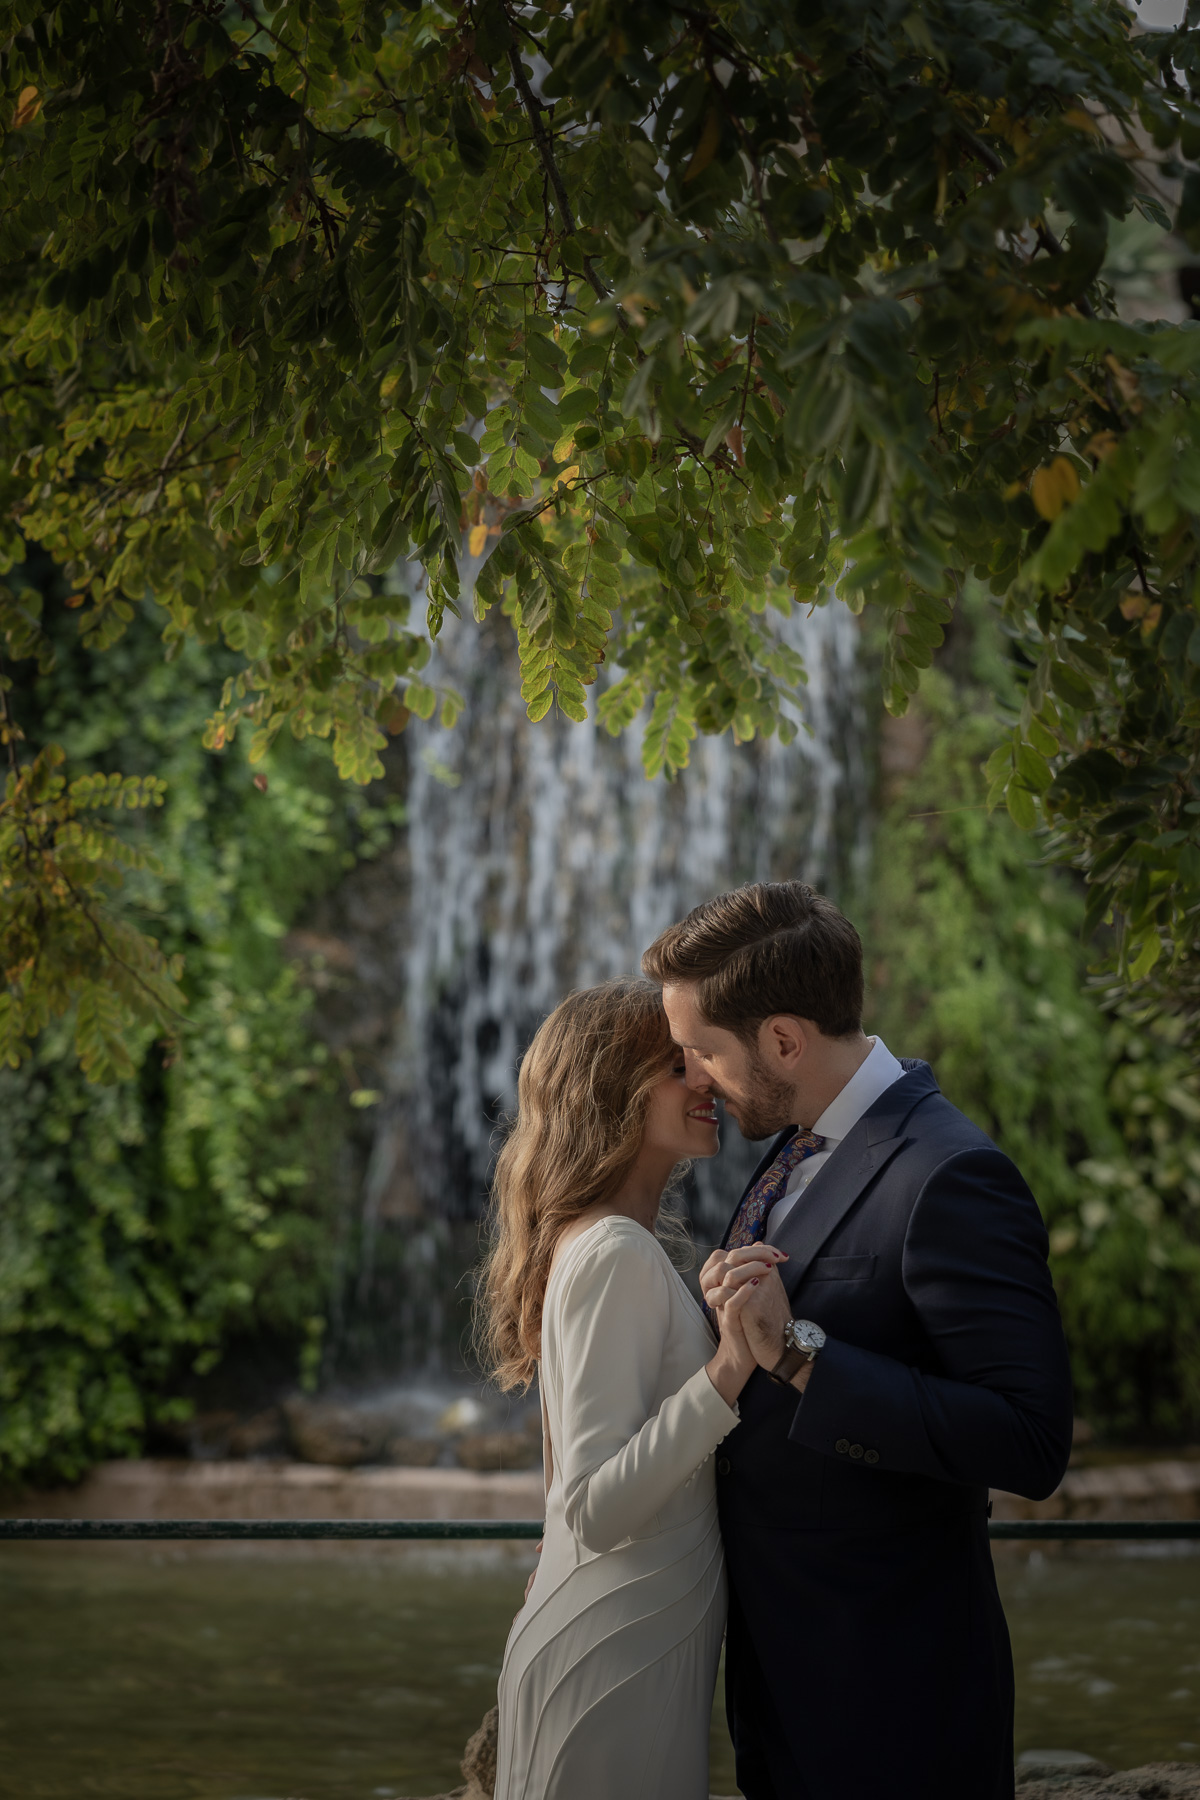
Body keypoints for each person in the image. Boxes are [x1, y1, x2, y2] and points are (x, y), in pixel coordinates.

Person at [642, 881, 1075, 1800]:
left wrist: (799, 1352)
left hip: (891, 1687)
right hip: (780, 1669)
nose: (695, 1077)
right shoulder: (793, 1142)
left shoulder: (953, 1173)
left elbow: (1030, 1441)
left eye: (704, 1052)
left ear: (784, 1040)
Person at [479, 979, 769, 1800]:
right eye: (682, 1066)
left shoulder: (606, 1242)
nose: (708, 1080)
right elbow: (597, 1507)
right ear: (617, 1085)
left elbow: (563, 1479)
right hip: (616, 1651)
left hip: (625, 1636)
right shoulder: (612, 1249)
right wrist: (732, 1365)